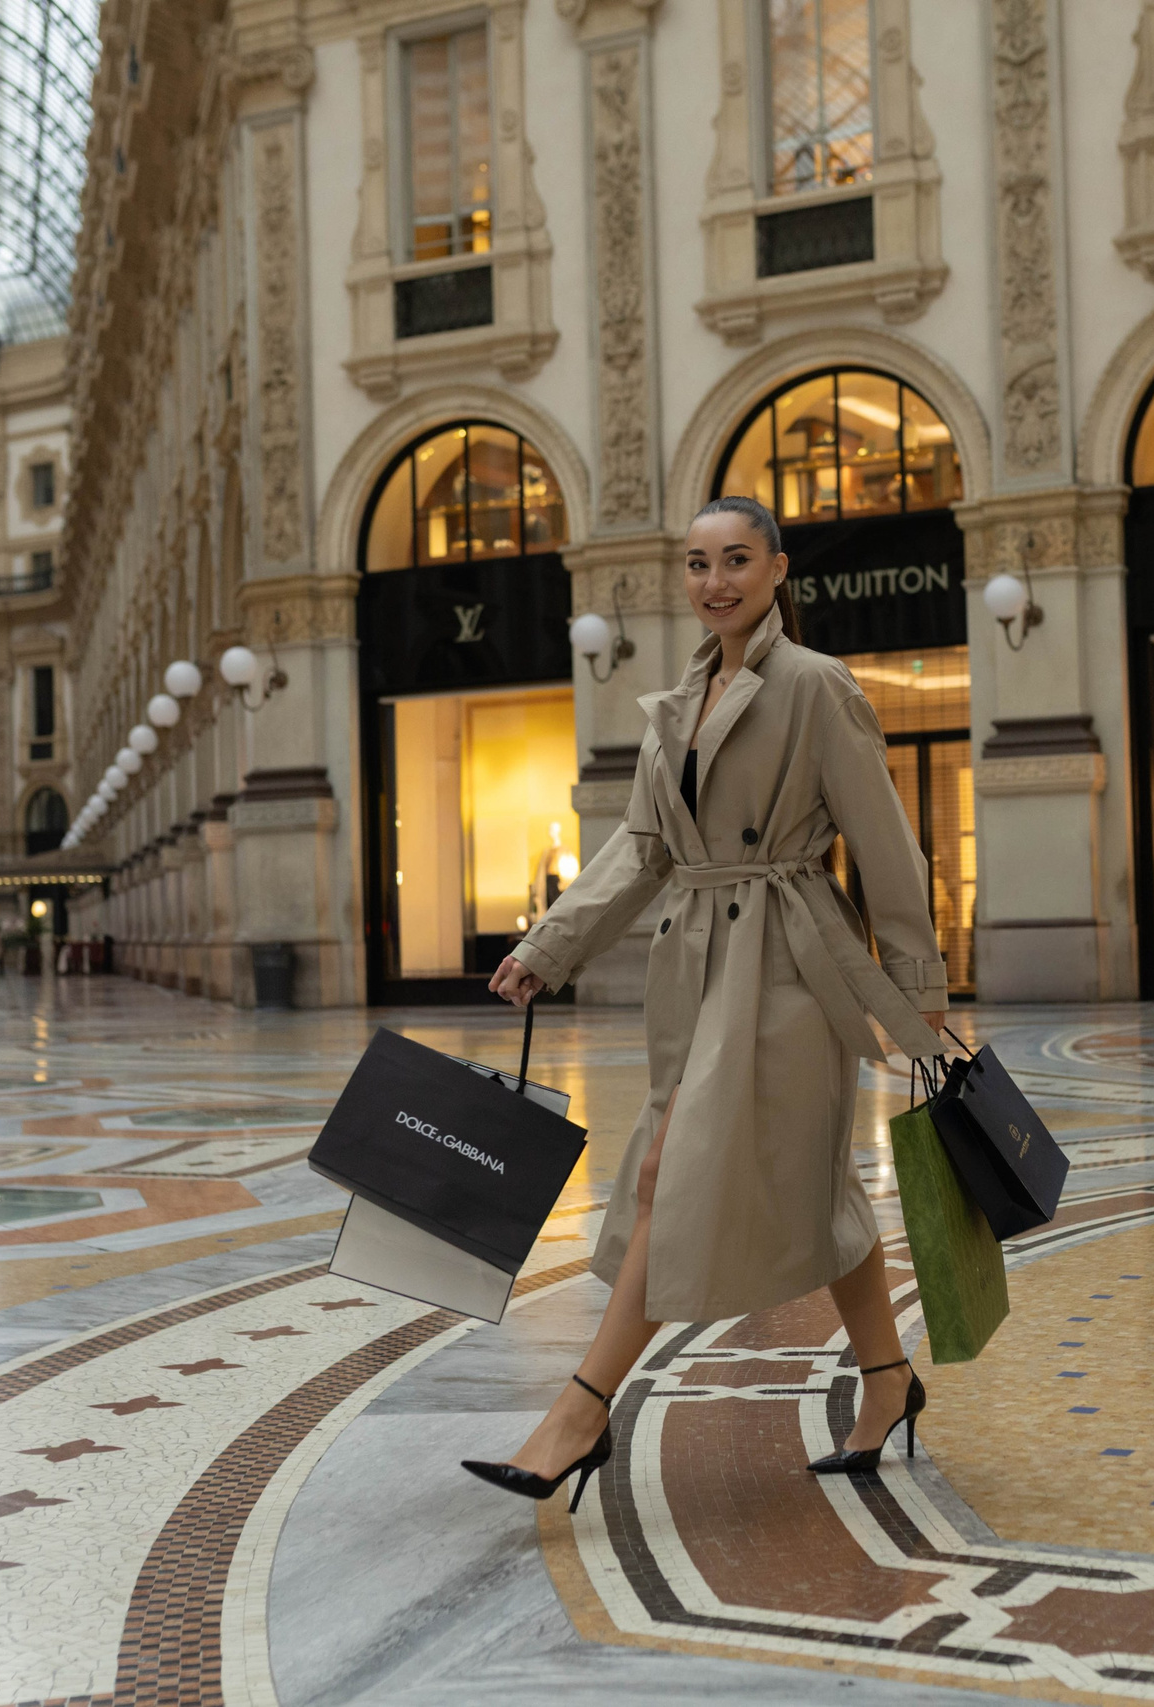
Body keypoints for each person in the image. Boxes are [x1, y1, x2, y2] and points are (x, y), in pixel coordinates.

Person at [465, 494, 948, 1508]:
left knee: (664, 1182)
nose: (714, 582)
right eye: (695, 564)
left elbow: (886, 843)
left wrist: (917, 989)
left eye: (735, 560)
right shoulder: (675, 703)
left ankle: (580, 1412)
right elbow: (642, 848)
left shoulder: (818, 688)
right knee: (817, 1188)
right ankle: (889, 1381)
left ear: (777, 569)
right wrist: (549, 946)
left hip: (787, 969)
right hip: (692, 974)